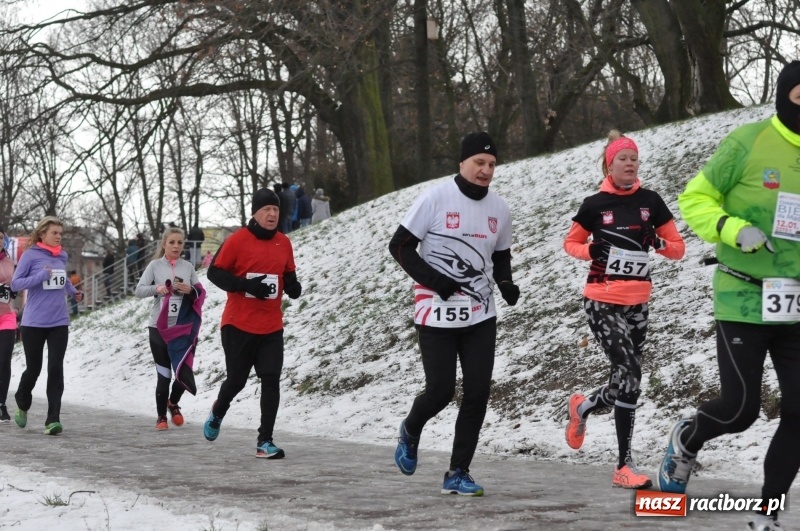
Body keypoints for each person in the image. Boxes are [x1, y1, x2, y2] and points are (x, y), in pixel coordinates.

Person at [659, 61, 800, 531]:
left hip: (795, 304)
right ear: (785, 97)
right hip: (742, 296)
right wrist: (731, 228)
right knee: (741, 410)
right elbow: (695, 197)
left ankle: (767, 513)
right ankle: (688, 438)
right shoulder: (748, 141)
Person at [387, 132, 519, 496]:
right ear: (462, 163)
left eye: (491, 165)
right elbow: (399, 246)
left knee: (477, 392)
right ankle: (411, 429)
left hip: (480, 315)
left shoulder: (500, 208)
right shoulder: (435, 198)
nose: (485, 170)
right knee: (441, 391)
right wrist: (436, 281)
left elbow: (501, 254)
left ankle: (458, 471)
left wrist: (506, 283)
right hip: (436, 314)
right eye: (479, 162)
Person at [562, 130, 685, 490]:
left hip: (637, 302)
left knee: (623, 381)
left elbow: (678, 248)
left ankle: (582, 407)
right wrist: (591, 251)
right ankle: (623, 465)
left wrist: (658, 242)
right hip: (601, 298)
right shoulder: (595, 204)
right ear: (609, 165)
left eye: (634, 158)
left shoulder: (651, 201)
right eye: (623, 159)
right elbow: (570, 243)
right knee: (630, 370)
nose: (630, 163)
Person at [204, 188, 302, 458]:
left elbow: (288, 273)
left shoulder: (284, 242)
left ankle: (265, 441)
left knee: (271, 380)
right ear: (255, 213)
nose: (272, 214)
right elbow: (214, 273)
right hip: (238, 324)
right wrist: (245, 285)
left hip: (271, 326)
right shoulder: (237, 241)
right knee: (236, 380)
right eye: (266, 210)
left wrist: (293, 287)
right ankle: (218, 411)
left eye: (276, 210)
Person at [10, 216, 83, 435]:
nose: (59, 236)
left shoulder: (62, 255)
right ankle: (22, 400)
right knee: (34, 369)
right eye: (55, 233)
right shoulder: (30, 255)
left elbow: (64, 280)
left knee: (56, 368)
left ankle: (53, 419)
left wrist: (74, 293)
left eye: (61, 233)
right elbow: (16, 283)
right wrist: (40, 276)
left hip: (59, 321)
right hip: (33, 322)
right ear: (42, 234)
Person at [135, 227, 202, 430]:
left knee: (182, 370)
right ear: (164, 244)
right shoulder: (155, 266)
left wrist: (190, 290)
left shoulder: (188, 267)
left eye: (180, 243)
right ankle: (161, 416)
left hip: (181, 328)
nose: (176, 246)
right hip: (158, 327)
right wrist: (158, 289)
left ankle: (173, 402)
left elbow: (200, 292)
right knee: (164, 374)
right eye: (172, 242)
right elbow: (138, 290)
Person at [0, 226, 17, 423]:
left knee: (4, 360)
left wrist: (13, 290)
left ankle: (1, 404)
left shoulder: (11, 263)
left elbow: (18, 285)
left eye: (1, 238)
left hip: (7, 317)